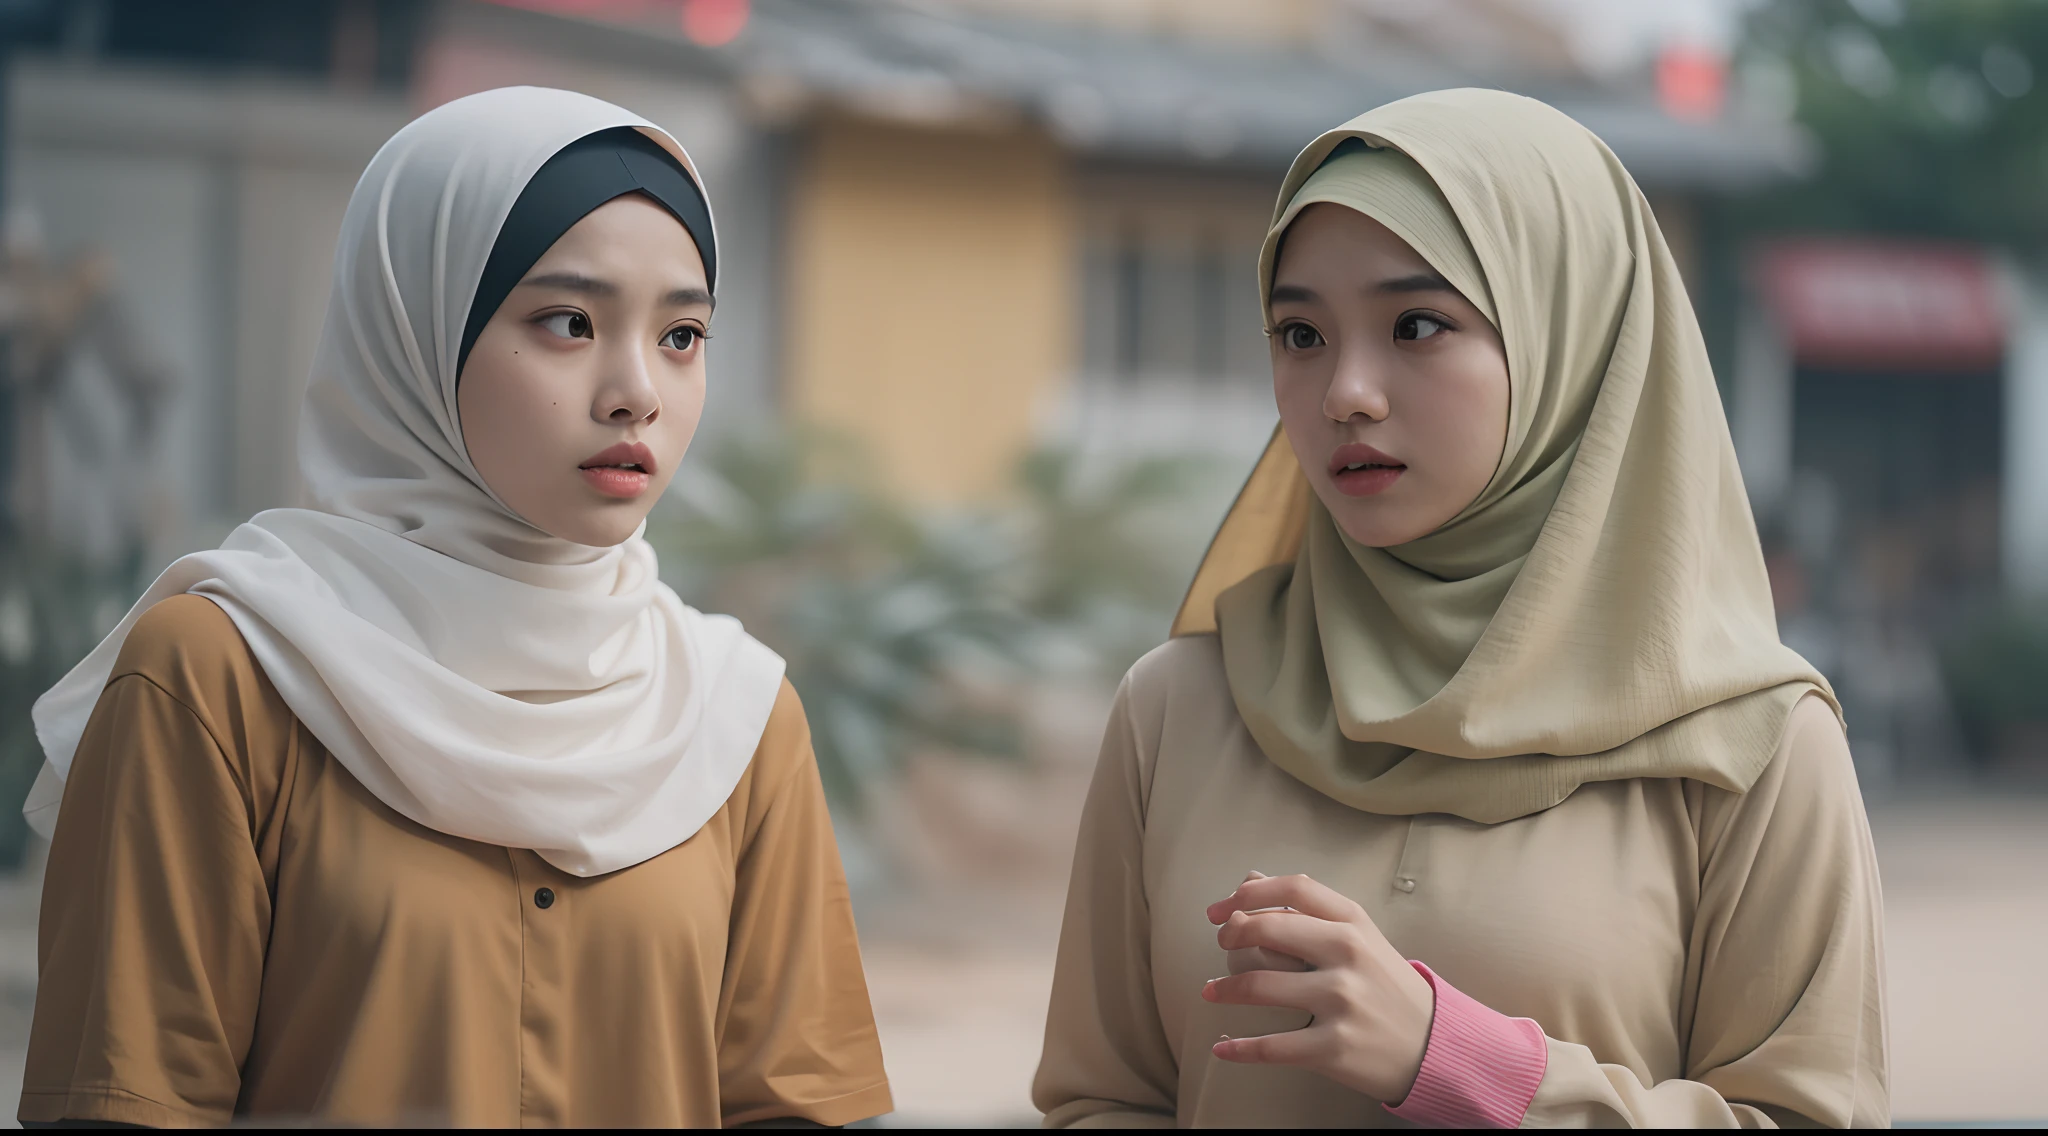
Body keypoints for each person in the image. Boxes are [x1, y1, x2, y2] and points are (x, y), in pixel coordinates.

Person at [19, 86, 891, 1129]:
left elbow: (797, 1104)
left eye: (681, 334)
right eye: (569, 321)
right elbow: (130, 1103)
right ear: (417, 325)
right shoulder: (225, 676)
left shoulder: (732, 716)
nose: (635, 391)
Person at [1034, 89, 1886, 1129]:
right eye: (1298, 332)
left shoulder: (1748, 744)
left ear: (1567, 344)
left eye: (1417, 323)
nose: (1345, 388)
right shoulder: (1179, 707)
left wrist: (1458, 1062)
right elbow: (1098, 1097)